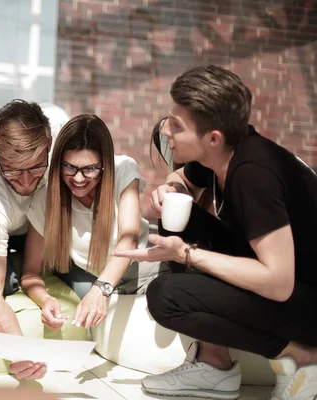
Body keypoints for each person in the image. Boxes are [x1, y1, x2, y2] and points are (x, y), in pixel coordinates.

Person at [113, 65, 317, 400]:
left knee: (167, 297)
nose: (164, 130)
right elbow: (180, 180)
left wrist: (187, 255)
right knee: (176, 212)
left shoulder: (253, 175)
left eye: (176, 125)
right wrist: (172, 187)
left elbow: (279, 283)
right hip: (286, 287)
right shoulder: (222, 153)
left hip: (306, 302)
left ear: (212, 137)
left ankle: (301, 355)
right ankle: (213, 364)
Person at [21, 114, 165, 331]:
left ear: (105, 164)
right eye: (69, 167)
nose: (78, 179)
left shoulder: (123, 169)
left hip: (145, 266)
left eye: (90, 169)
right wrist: (45, 300)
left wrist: (101, 289)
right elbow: (30, 272)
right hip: (101, 280)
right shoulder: (45, 197)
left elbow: (128, 241)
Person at [0, 100, 68, 380]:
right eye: (14, 170)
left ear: (50, 144)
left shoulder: (62, 136)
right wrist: (19, 349)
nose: (27, 183)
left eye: (36, 168)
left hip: (40, 230)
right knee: (3, 282)